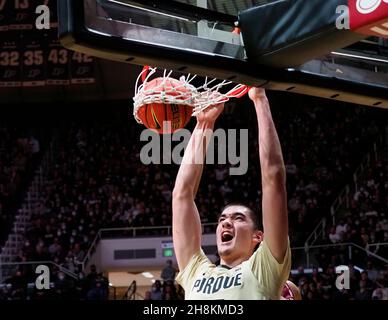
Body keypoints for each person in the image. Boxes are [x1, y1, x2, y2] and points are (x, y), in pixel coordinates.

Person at [172, 88, 291, 299]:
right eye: (222, 219)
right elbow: (182, 195)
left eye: (238, 218)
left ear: (258, 237)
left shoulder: (262, 269)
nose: (226, 223)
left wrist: (259, 98)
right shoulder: (196, 271)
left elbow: (273, 177)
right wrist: (204, 124)